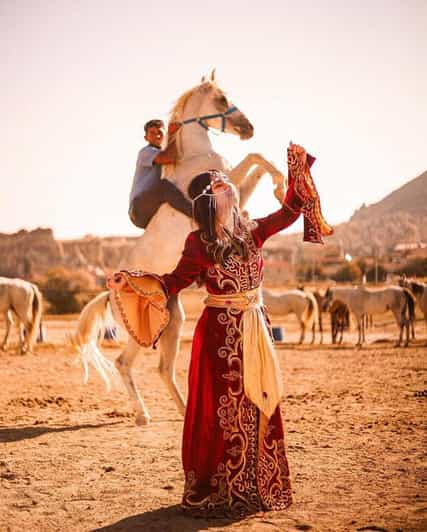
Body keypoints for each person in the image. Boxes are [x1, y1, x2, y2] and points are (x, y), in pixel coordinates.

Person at [110, 143, 331, 516]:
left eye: (226, 184)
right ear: (208, 202)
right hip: (218, 337)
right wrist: (130, 283)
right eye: (218, 187)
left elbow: (291, 211)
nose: (227, 188)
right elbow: (172, 283)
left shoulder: (254, 232)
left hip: (254, 330)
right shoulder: (199, 243)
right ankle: (218, 488)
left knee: (259, 400)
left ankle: (257, 486)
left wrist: (297, 173)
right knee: (220, 411)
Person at [128, 119, 193, 229]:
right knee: (163, 186)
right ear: (146, 138)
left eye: (160, 133)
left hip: (151, 204)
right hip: (138, 209)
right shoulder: (146, 152)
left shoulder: (162, 151)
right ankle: (197, 214)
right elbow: (168, 157)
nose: (157, 136)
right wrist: (173, 134)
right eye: (152, 133)